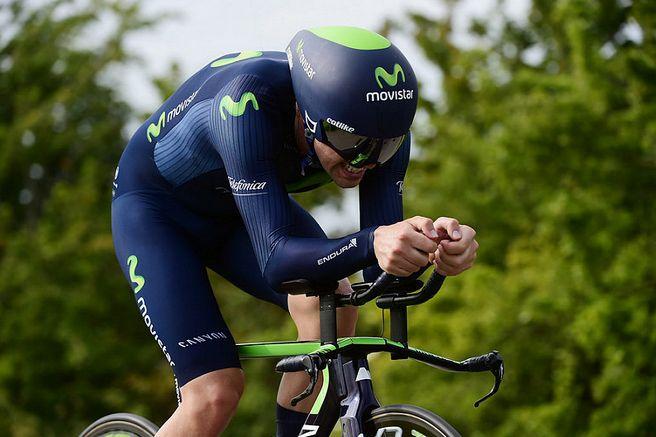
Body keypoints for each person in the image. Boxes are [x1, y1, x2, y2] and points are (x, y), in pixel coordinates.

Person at [111, 26, 479, 436]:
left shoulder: (378, 131)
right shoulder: (247, 102)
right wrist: (374, 241)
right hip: (157, 213)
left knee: (337, 310)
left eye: (384, 146)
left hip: (237, 207)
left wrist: (435, 251)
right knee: (215, 392)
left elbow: (381, 277)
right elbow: (277, 263)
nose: (365, 160)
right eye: (347, 139)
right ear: (306, 117)